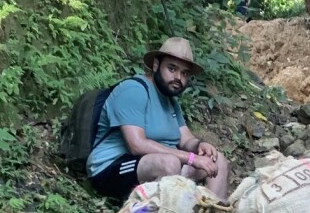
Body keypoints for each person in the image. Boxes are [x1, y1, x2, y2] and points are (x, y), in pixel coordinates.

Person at [85, 37, 230, 202]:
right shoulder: (134, 90)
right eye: (172, 69)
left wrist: (199, 146)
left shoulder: (170, 101)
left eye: (184, 73)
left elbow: (186, 139)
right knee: (169, 163)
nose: (178, 78)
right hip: (111, 169)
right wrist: (191, 158)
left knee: (218, 160)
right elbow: (136, 145)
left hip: (161, 168)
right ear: (155, 65)